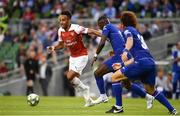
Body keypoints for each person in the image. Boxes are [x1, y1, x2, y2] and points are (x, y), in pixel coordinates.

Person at [110, 11, 177, 115]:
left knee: (114, 77)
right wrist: (122, 65)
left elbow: (130, 40)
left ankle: (118, 107)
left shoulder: (127, 30)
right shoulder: (137, 32)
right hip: (150, 62)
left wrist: (126, 50)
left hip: (141, 63)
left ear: (123, 23)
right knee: (151, 90)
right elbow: (136, 57)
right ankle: (172, 110)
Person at [92, 15, 154, 113]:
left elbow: (102, 42)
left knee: (97, 73)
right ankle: (147, 97)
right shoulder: (116, 29)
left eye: (99, 25)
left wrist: (95, 55)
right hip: (125, 56)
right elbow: (120, 42)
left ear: (103, 23)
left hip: (119, 56)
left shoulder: (107, 27)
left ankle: (103, 96)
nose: (99, 27)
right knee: (127, 84)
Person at [47, 11, 101, 107]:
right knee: (72, 80)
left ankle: (85, 88)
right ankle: (88, 100)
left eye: (63, 20)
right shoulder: (60, 31)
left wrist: (104, 35)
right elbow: (61, 45)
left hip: (82, 56)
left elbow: (91, 31)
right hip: (72, 57)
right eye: (60, 20)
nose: (61, 22)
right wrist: (54, 48)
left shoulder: (76, 28)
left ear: (69, 20)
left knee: (69, 76)